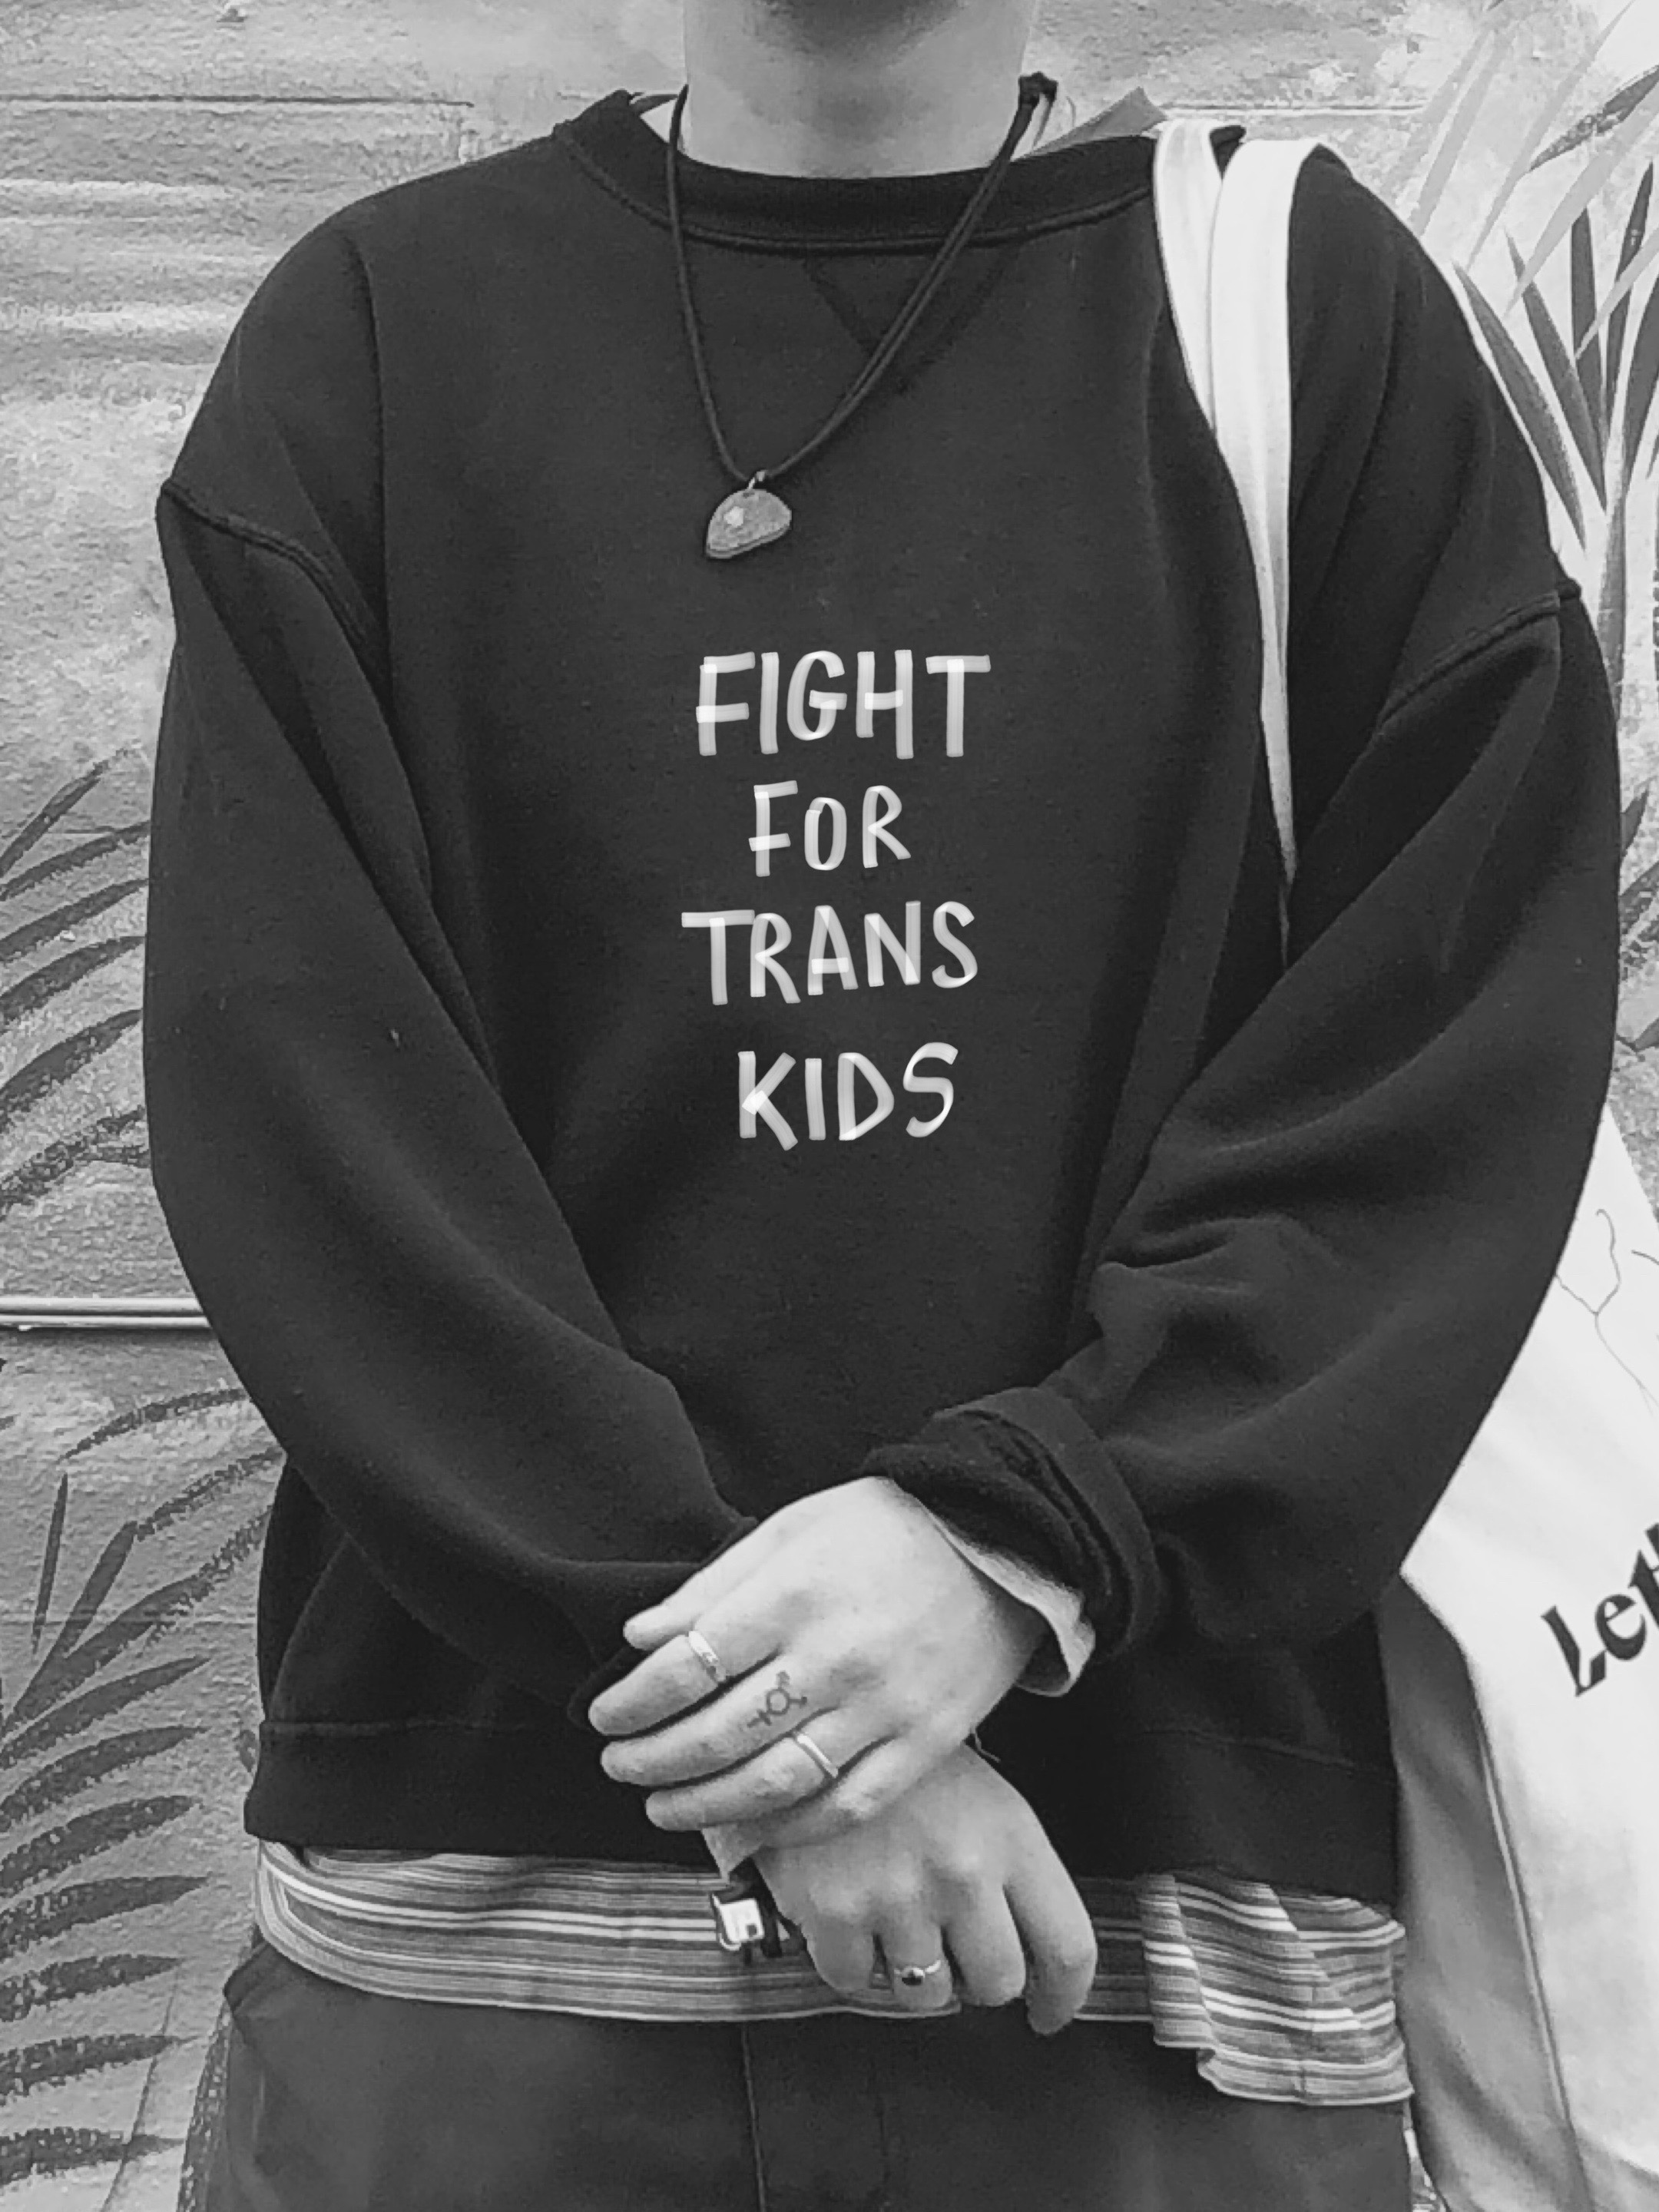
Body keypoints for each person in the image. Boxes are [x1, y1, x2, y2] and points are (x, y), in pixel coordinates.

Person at [141, 0, 1620, 2205]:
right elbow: (305, 1117)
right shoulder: (377, 337)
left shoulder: (1305, 314)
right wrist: (790, 1733)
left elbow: (1446, 1057)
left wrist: (1019, 1543)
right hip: (489, 1947)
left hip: (1152, 1946)